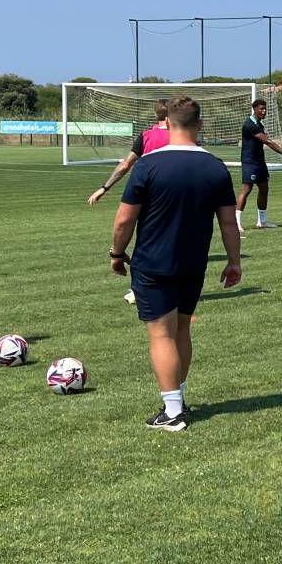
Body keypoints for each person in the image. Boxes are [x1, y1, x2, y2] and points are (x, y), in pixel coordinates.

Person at [110, 96, 242, 432]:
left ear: (167, 123)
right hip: (193, 263)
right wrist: (233, 262)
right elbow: (229, 223)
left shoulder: (149, 165)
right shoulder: (216, 167)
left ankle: (172, 413)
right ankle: (177, 400)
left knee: (161, 336)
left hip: (154, 263)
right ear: (200, 125)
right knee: (182, 329)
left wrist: (116, 253)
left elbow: (124, 219)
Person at [87, 99, 169, 206]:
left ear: (155, 115)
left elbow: (125, 166)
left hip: (150, 191)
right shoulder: (184, 137)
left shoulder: (146, 136)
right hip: (179, 191)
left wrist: (104, 188)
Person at [235, 98, 282, 231]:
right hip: (250, 161)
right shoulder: (249, 124)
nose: (264, 112)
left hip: (260, 162)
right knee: (247, 189)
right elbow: (267, 141)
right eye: (261, 109)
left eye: (265, 109)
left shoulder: (259, 125)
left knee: (264, 188)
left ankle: (262, 221)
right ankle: (236, 222)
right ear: (255, 109)